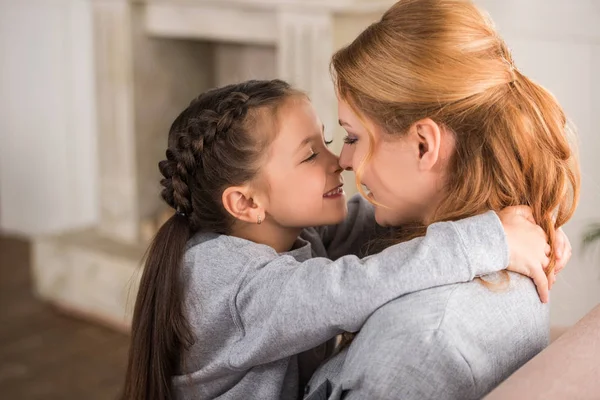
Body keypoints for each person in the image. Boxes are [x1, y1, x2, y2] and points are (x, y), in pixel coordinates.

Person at [120, 79, 560, 400]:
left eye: (332, 141)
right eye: (312, 153)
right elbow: (350, 287)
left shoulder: (288, 231)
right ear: (246, 202)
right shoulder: (225, 281)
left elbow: (378, 225)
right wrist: (486, 241)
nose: (341, 162)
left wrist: (511, 218)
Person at [304, 0, 579, 399]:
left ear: (422, 145)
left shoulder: (412, 347)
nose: (344, 161)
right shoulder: (509, 240)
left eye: (352, 137)